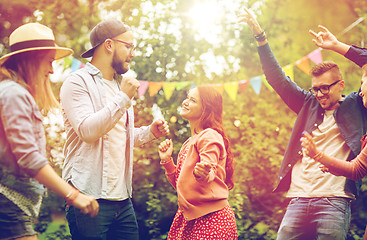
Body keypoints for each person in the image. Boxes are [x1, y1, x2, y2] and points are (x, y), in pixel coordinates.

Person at [239, 7, 367, 240]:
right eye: (315, 89)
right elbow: (276, 78)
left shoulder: (357, 105)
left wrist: (337, 45)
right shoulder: (307, 104)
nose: (319, 94)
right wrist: (260, 37)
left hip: (334, 200)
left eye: (325, 88)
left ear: (340, 85)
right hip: (297, 199)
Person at [60, 19, 169, 239]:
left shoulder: (120, 86)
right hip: (88, 197)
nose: (133, 53)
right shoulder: (76, 82)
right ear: (109, 45)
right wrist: (123, 98)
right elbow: (88, 131)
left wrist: (150, 132)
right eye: (128, 46)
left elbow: (118, 136)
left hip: (123, 201)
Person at [0, 23, 99, 240]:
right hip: (9, 204)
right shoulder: (14, 94)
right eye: (50, 61)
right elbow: (28, 158)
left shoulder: (14, 92)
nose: (52, 70)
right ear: (33, 59)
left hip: (15, 207)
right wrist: (73, 195)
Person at [300, 25, 367, 239]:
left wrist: (338, 46)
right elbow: (357, 169)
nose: (361, 87)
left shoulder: (355, 105)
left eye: (364, 81)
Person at [158, 85, 237, 239]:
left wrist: (205, 173)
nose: (185, 102)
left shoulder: (209, 136)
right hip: (190, 219)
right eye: (187, 98)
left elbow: (209, 168)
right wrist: (167, 160)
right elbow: (183, 185)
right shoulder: (189, 142)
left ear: (206, 109)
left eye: (193, 100)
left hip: (212, 218)